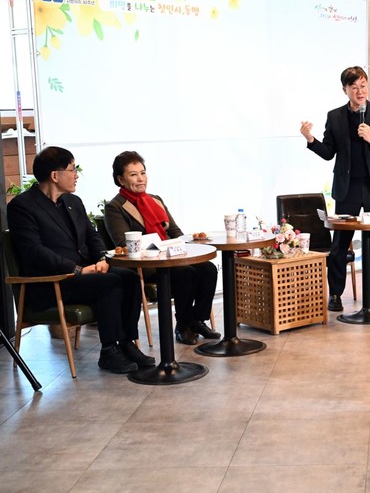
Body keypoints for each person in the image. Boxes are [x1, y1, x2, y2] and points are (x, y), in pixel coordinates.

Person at [6, 146, 152, 374]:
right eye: (72, 169)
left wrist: (103, 259)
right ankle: (109, 351)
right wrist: (77, 270)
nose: (76, 175)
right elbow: (34, 251)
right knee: (110, 283)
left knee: (130, 278)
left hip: (82, 276)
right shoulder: (22, 206)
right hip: (50, 282)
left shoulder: (73, 202)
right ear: (55, 175)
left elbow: (92, 236)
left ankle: (126, 343)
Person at [299, 66, 370, 312]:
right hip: (348, 189)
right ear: (345, 89)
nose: (360, 91)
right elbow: (328, 153)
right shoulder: (335, 117)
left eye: (363, 85)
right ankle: (335, 294)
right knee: (340, 244)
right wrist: (310, 139)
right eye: (354, 87)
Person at [103, 151, 220, 346]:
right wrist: (162, 247)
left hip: (171, 257)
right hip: (146, 264)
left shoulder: (156, 200)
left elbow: (175, 231)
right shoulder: (115, 207)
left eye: (143, 173)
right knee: (186, 273)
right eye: (133, 175)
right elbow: (123, 244)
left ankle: (197, 320)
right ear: (120, 179)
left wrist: (182, 244)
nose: (141, 179)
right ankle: (183, 325)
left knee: (207, 269)